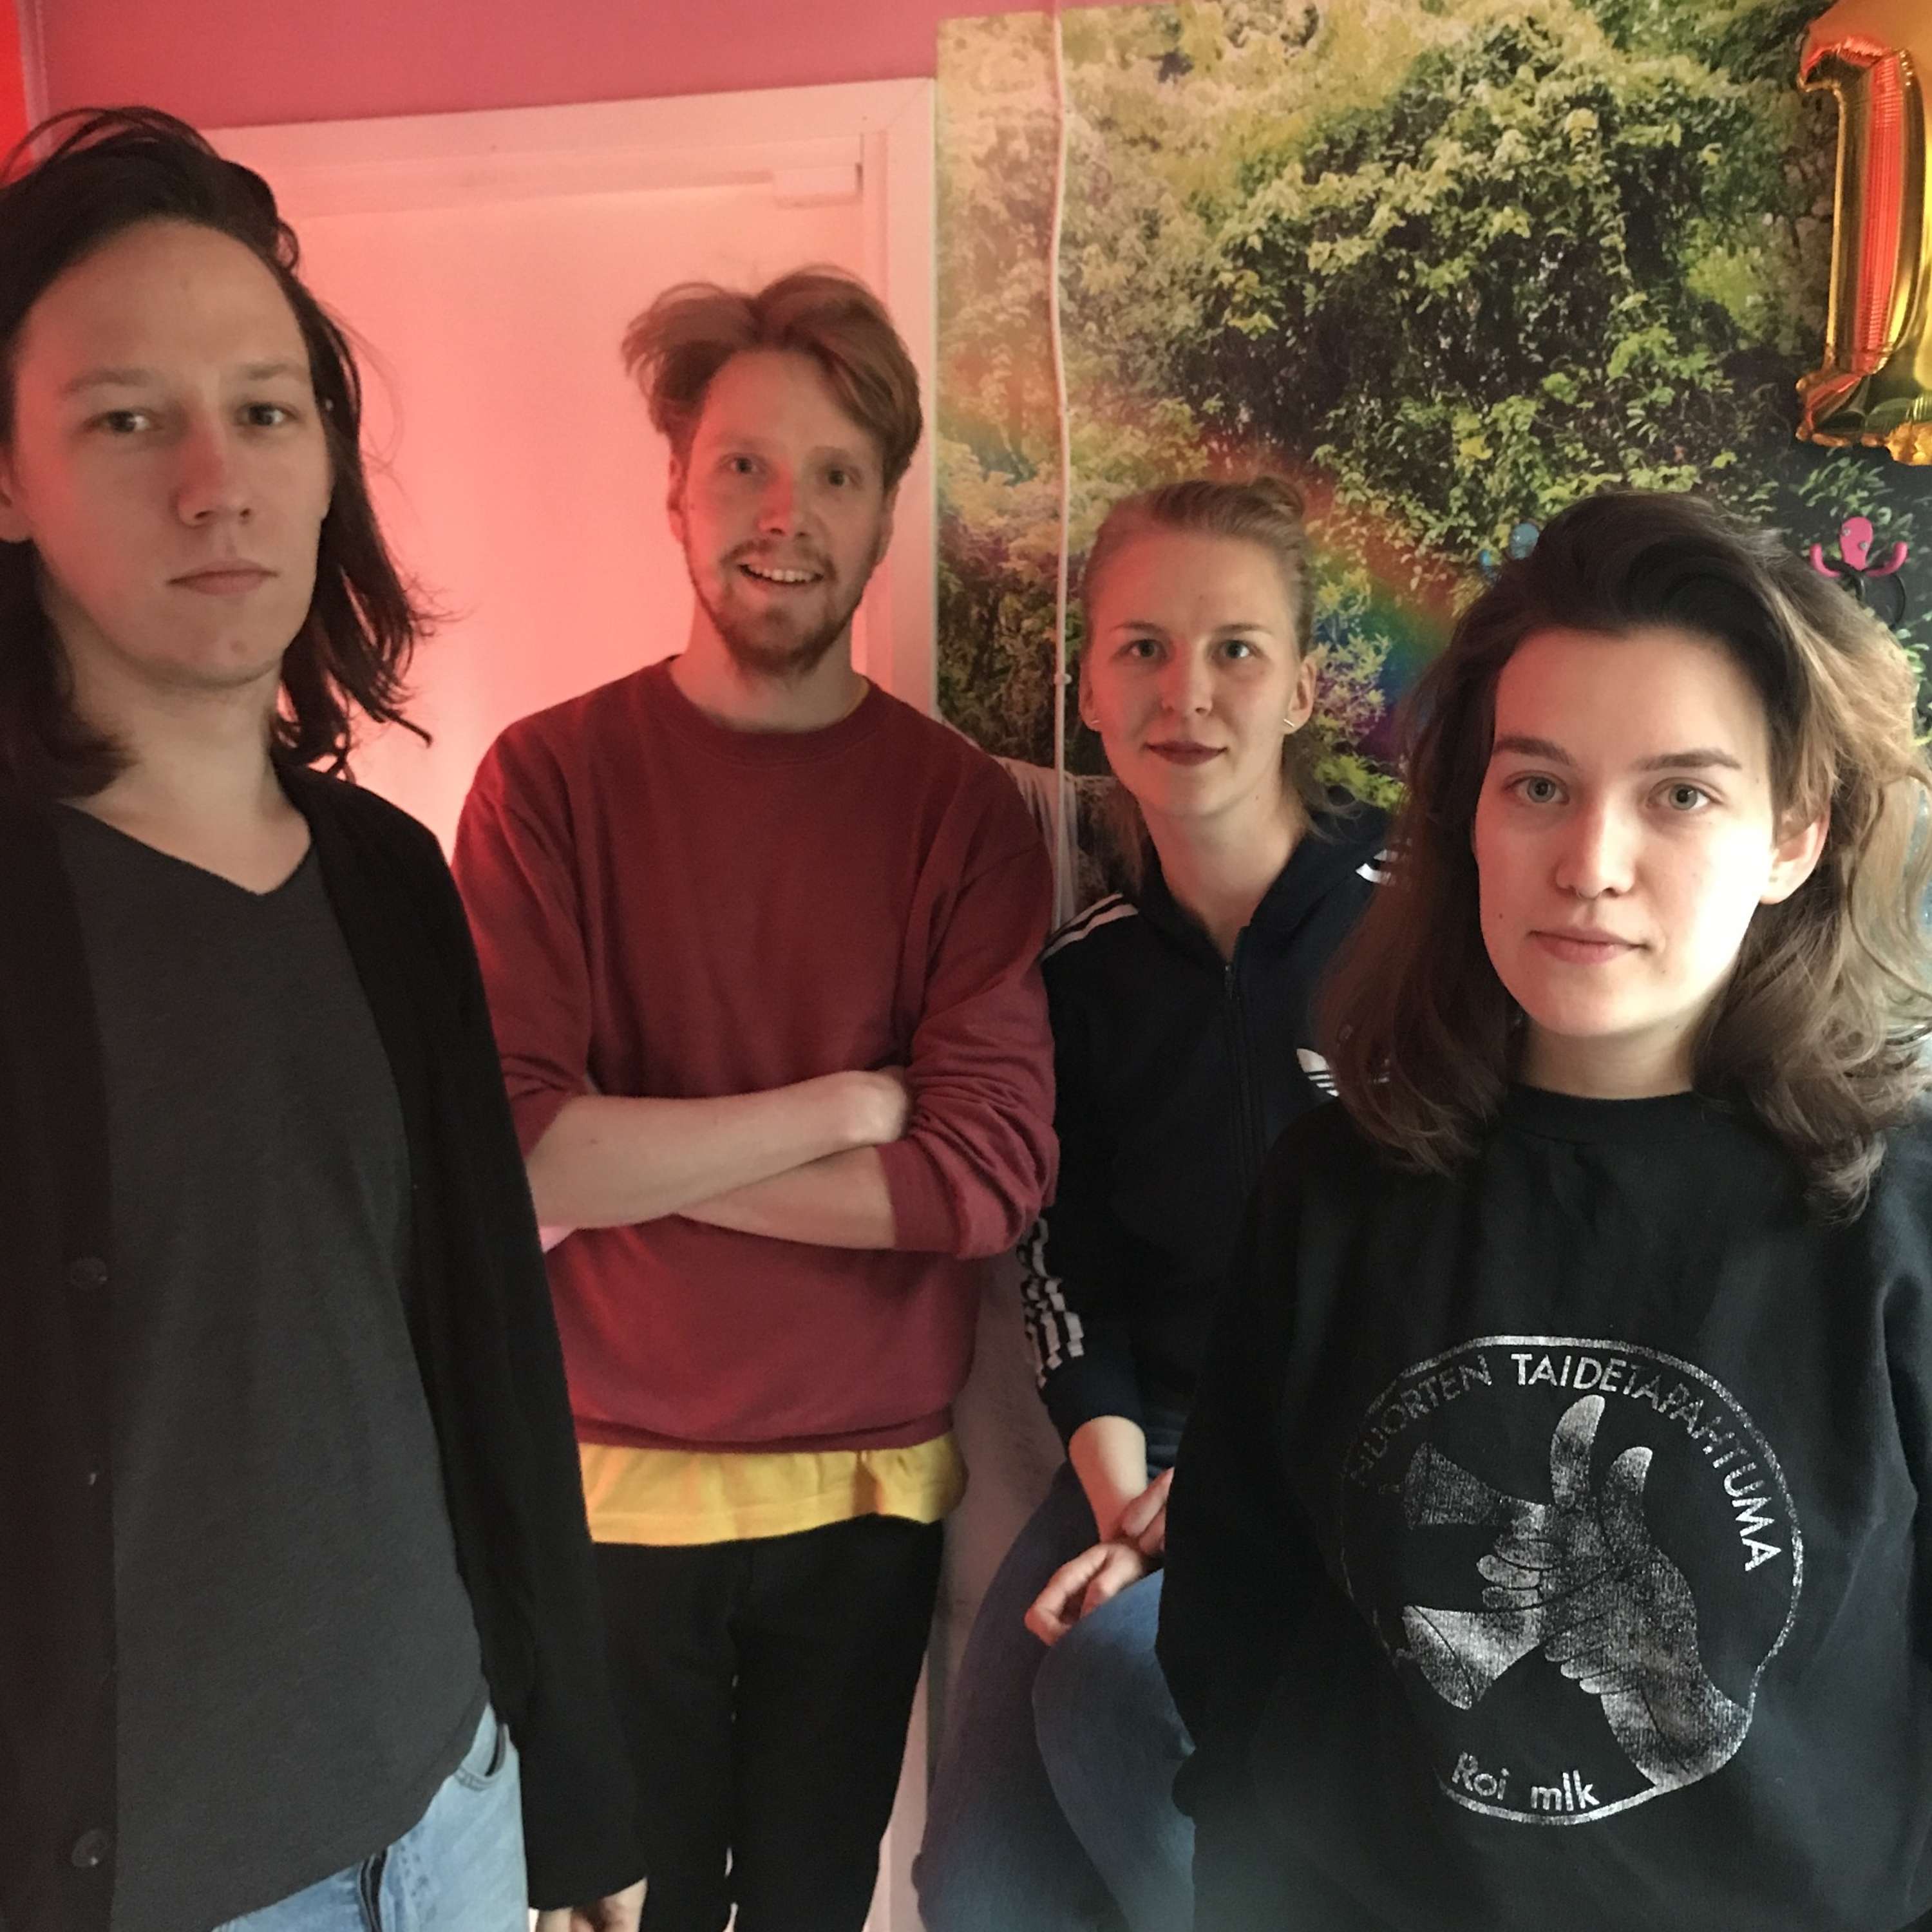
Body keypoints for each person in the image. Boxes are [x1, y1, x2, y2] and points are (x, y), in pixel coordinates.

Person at [0, 109, 645, 1932]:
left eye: (267, 411)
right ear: (9, 479)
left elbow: (488, 1355)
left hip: (452, 1821)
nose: (218, 483)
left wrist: (573, 1793)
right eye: (127, 421)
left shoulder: (384, 877)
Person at [1158, 488, 1932, 1932]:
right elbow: (1234, 1625)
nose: (1590, 863)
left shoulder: (1900, 1218)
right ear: (1470, 817)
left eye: (1682, 794)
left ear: (1795, 834)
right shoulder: (1330, 1193)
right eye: (1537, 786)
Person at [451, 267, 1057, 1932]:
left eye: (836, 475)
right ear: (677, 488)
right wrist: (849, 1105)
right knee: (622, 1911)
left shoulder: (957, 813)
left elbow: (982, 1182)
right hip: (599, 1487)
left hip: (866, 1500)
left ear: (886, 515)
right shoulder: (547, 784)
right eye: (745, 466)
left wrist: (629, 1157)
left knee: (809, 1906)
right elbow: (515, 1151)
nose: (787, 517)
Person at [916, 477, 1388, 1932]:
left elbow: (1465, 1237)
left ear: (1301, 689)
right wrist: (1133, 1507)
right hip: (1150, 1446)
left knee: (1116, 1698)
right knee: (979, 1890)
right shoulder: (1082, 976)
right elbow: (1069, 1275)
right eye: (1143, 648)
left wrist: (1237, 1491)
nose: (1187, 692)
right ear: (1089, 688)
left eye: (1236, 649)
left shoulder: (1424, 924)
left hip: (1365, 1441)